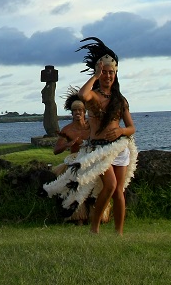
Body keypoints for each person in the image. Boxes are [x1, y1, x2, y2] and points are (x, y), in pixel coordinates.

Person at [44, 37, 138, 235]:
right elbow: (82, 95)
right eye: (104, 72)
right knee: (110, 186)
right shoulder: (94, 96)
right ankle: (94, 227)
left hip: (119, 148)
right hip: (99, 149)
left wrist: (121, 131)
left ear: (116, 74)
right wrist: (95, 75)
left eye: (111, 72)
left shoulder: (120, 100)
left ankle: (119, 232)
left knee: (119, 191)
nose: (108, 76)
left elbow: (131, 128)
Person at [51, 88, 109, 225]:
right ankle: (78, 216)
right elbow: (56, 150)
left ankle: (98, 215)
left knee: (97, 181)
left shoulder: (92, 126)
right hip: (75, 159)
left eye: (80, 110)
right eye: (75, 111)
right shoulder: (67, 130)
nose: (77, 113)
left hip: (90, 158)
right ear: (72, 113)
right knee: (75, 181)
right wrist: (68, 144)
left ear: (84, 112)